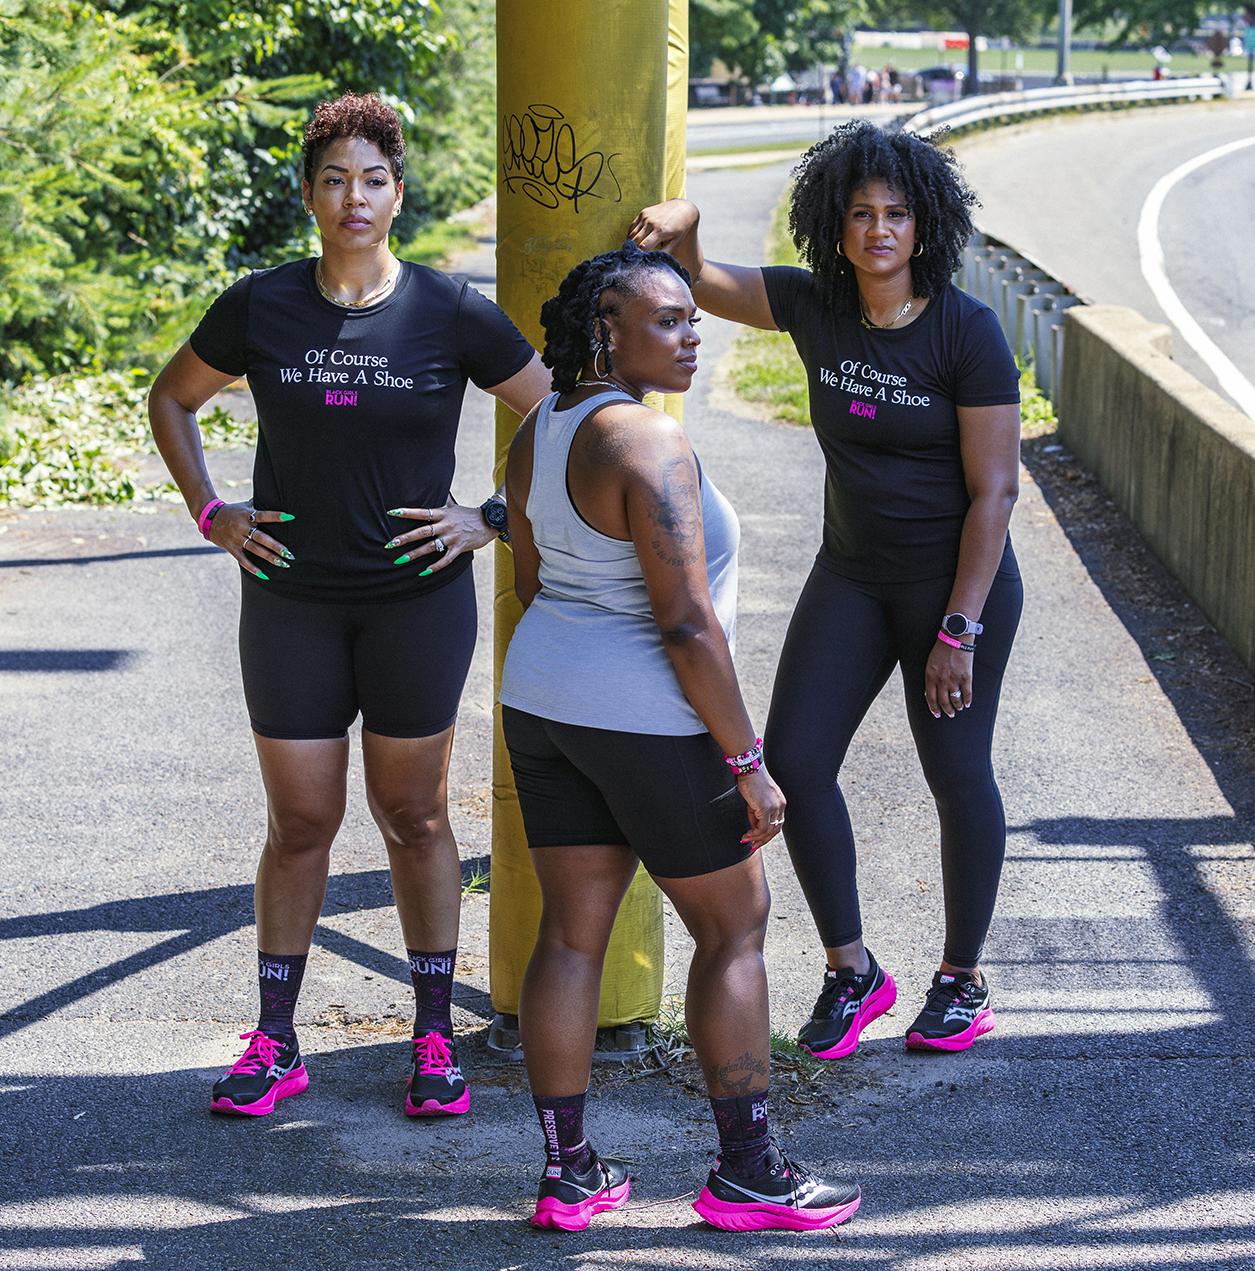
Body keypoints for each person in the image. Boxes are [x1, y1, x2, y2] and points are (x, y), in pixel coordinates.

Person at [148, 92, 550, 1119]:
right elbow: (172, 397)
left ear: (398, 193)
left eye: (372, 179)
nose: (353, 196)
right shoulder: (261, 304)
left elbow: (557, 410)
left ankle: (431, 1038)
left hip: (415, 601)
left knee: (412, 814)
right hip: (289, 603)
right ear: (308, 196)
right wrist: (212, 511)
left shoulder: (451, 310)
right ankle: (275, 1039)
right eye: (334, 180)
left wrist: (489, 515)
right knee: (301, 821)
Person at [628, 120, 1022, 1059]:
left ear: (923, 224)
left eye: (894, 213)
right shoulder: (814, 307)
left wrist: (957, 629)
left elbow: (995, 490)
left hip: (953, 588)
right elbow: (691, 274)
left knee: (955, 772)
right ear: (832, 225)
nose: (877, 230)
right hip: (850, 572)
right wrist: (682, 215)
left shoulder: (965, 331)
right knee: (795, 763)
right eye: (859, 213)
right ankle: (853, 969)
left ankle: (961, 979)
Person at [499, 242, 861, 1232]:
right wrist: (747, 762)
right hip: (646, 717)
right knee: (733, 925)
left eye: (690, 315)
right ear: (604, 332)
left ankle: (568, 1171)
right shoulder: (649, 444)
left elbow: (533, 578)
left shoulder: (538, 427)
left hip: (541, 698)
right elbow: (687, 621)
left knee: (571, 931)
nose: (690, 330)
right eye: (668, 319)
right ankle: (749, 1171)